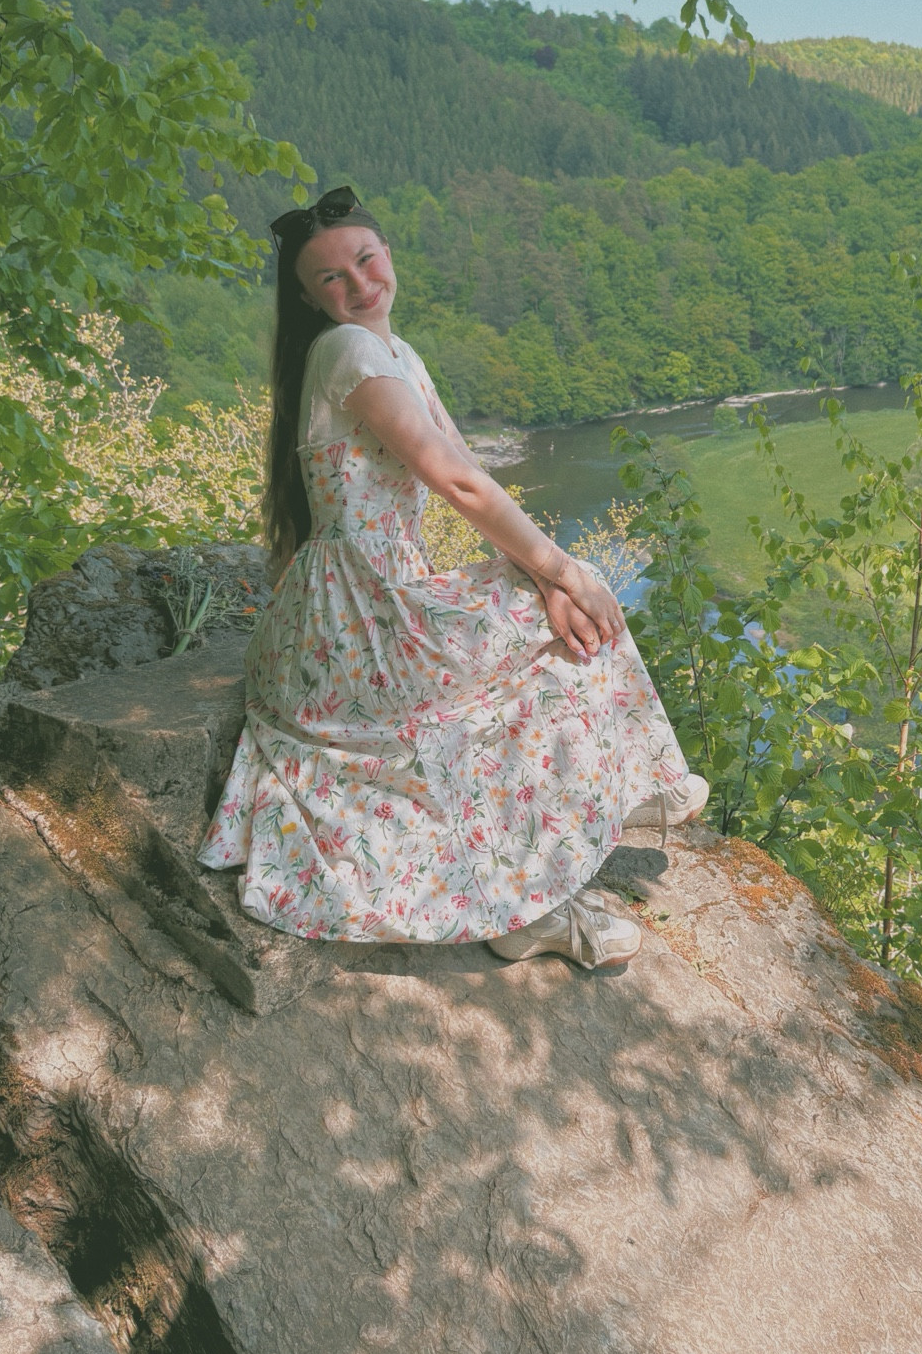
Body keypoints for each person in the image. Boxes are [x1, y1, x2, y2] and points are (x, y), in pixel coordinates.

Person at [199, 187, 706, 969]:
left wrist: (548, 578)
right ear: (308, 297)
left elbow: (469, 468)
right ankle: (560, 864)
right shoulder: (347, 351)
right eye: (332, 277)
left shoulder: (396, 355)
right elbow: (458, 483)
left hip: (372, 599)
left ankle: (615, 790)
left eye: (365, 259)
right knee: (556, 608)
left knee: (549, 601)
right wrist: (560, 570)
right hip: (352, 615)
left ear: (389, 254)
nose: (359, 283)